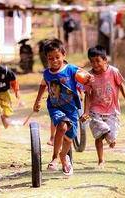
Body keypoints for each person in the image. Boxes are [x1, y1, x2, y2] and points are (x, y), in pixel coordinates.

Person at [33, 39, 91, 176]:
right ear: (46, 58)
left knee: (69, 139)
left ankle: (63, 157)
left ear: (64, 55)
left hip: (71, 109)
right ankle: (54, 158)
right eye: (50, 58)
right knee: (62, 126)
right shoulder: (47, 73)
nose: (54, 61)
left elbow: (83, 77)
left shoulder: (70, 69)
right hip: (55, 107)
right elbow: (43, 85)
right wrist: (37, 101)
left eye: (57, 57)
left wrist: (88, 79)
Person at [82, 45, 125, 167]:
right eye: (92, 61)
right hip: (96, 110)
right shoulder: (89, 77)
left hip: (112, 110)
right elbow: (87, 95)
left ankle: (110, 137)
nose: (95, 64)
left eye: (98, 61)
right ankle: (101, 159)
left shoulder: (113, 72)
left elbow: (121, 86)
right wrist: (86, 112)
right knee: (99, 135)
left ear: (105, 60)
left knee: (111, 136)